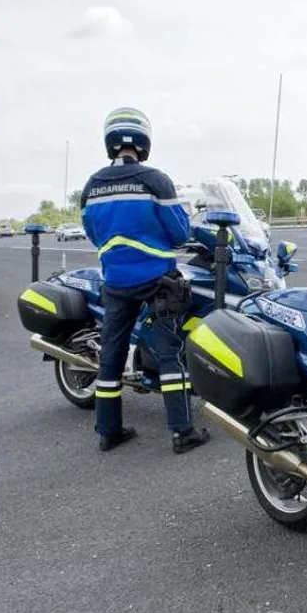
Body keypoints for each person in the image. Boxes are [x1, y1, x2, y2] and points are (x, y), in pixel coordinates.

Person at [79, 106, 212, 454]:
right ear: (144, 141)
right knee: (171, 353)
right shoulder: (155, 180)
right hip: (157, 280)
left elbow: (92, 233)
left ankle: (109, 431)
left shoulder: (92, 186)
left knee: (111, 356)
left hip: (116, 282)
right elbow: (180, 232)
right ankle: (182, 432)